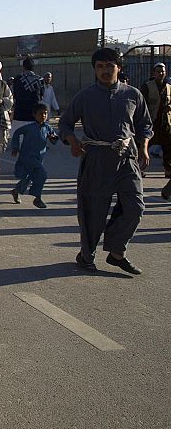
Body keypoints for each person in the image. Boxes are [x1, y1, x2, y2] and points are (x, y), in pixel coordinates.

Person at [58, 48, 152, 275]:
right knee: (93, 212)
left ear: (119, 68)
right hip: (97, 159)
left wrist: (144, 148)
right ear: (95, 70)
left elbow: (144, 125)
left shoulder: (133, 95)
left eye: (109, 65)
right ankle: (86, 255)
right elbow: (65, 123)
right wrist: (72, 140)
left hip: (126, 158)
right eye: (99, 66)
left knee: (135, 206)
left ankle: (117, 252)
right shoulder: (85, 96)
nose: (104, 70)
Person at [10, 102, 58, 209]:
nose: (43, 116)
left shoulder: (47, 128)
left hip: (39, 157)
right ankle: (37, 198)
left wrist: (52, 138)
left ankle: (16, 191)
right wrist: (15, 147)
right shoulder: (29, 127)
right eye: (40, 114)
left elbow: (54, 138)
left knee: (30, 177)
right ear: (34, 115)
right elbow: (17, 133)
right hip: (27, 156)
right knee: (42, 174)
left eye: (45, 113)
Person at [139, 62, 171, 182]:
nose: (161, 73)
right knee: (144, 146)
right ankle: (140, 168)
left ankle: (168, 170)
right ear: (154, 73)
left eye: (163, 71)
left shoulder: (169, 87)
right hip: (151, 121)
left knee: (168, 147)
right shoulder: (147, 87)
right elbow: (141, 104)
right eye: (158, 71)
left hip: (165, 122)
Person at [11, 56, 43, 139]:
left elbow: (14, 95)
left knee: (19, 140)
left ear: (23, 67)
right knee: (32, 140)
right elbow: (41, 97)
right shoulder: (40, 80)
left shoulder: (17, 79)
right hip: (34, 114)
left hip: (19, 114)